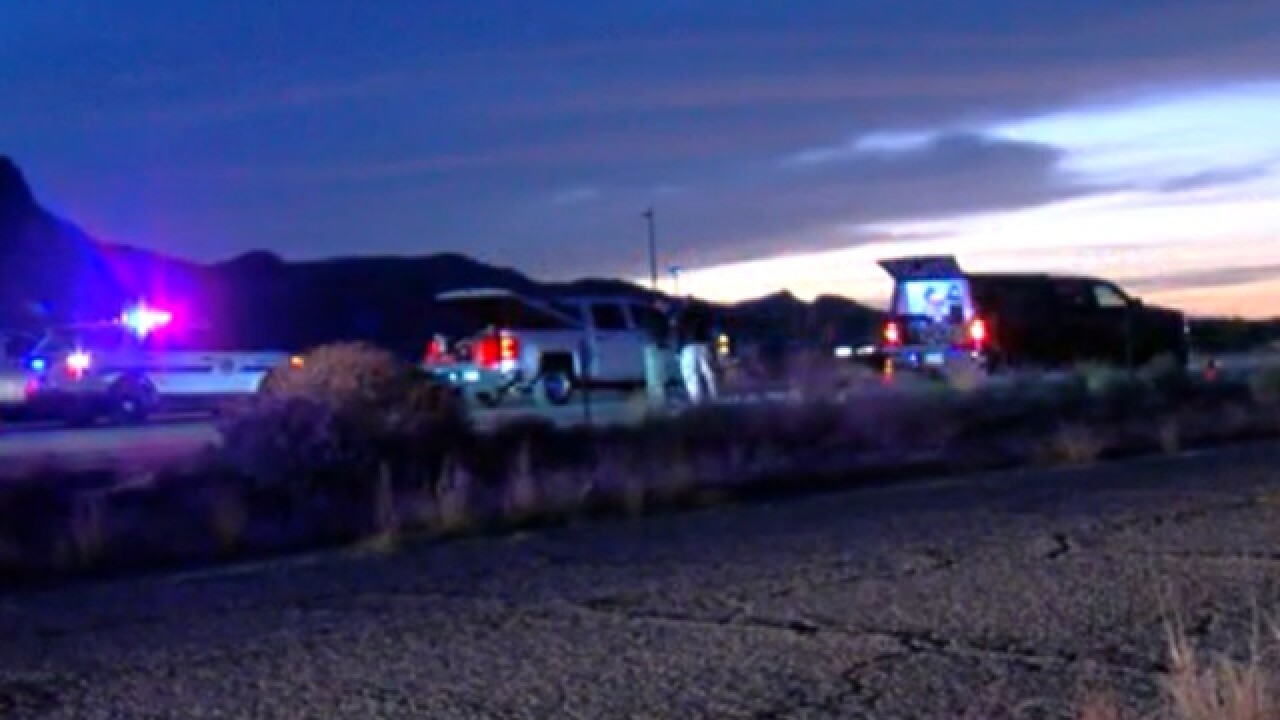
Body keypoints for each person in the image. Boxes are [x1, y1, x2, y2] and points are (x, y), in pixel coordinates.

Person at [676, 300, 717, 404]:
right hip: (703, 345)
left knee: (691, 375)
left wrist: (678, 350)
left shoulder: (681, 316)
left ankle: (697, 402)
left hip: (688, 347)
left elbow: (679, 333)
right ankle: (715, 398)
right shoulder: (704, 316)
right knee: (709, 373)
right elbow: (711, 330)